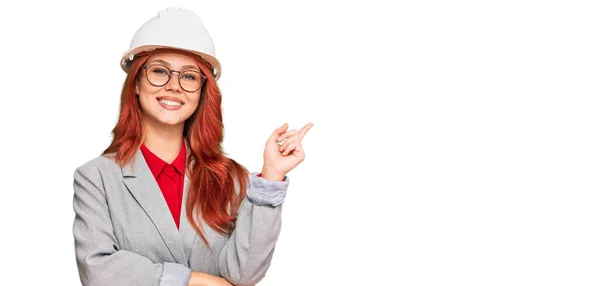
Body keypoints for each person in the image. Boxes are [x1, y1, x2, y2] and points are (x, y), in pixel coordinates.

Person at [72, 7, 312, 286]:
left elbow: (244, 274)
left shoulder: (232, 178)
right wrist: (192, 280)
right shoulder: (97, 177)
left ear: (201, 91)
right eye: (159, 71)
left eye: (188, 76)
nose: (174, 86)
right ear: (136, 83)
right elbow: (97, 269)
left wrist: (271, 178)